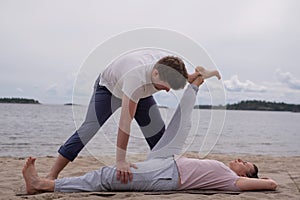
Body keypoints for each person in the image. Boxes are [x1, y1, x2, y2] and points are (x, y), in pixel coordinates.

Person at [22, 70, 277, 194]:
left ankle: (43, 185)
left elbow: (272, 184)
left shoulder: (230, 182)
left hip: (166, 176)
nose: (241, 161)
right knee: (181, 124)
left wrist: (262, 180)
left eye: (247, 164)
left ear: (246, 174)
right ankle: (195, 83)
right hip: (169, 161)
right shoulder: (223, 170)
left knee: (109, 176)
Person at [46, 49, 203, 183]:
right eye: (163, 87)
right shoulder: (135, 76)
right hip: (109, 89)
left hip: (141, 93)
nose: (167, 91)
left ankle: (165, 172)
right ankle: (52, 175)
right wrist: (120, 161)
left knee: (158, 133)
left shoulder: (167, 68)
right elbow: (125, 122)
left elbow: (184, 77)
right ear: (155, 73)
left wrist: (195, 76)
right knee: (89, 128)